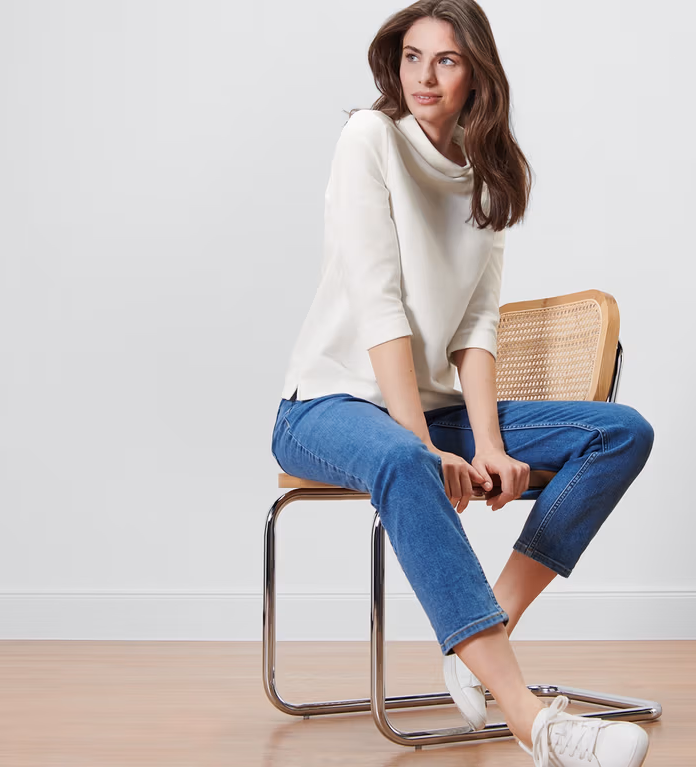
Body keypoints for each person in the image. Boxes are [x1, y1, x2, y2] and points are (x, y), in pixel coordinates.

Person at [271, 1, 655, 764]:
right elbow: (379, 303)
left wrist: (486, 443)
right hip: (326, 406)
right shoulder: (369, 139)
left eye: (445, 60)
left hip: (431, 408)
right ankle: (534, 723)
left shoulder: (488, 175)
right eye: (412, 57)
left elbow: (478, 326)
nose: (424, 76)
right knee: (403, 458)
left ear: (476, 73)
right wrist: (421, 444)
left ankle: (485, 634)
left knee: (620, 433)